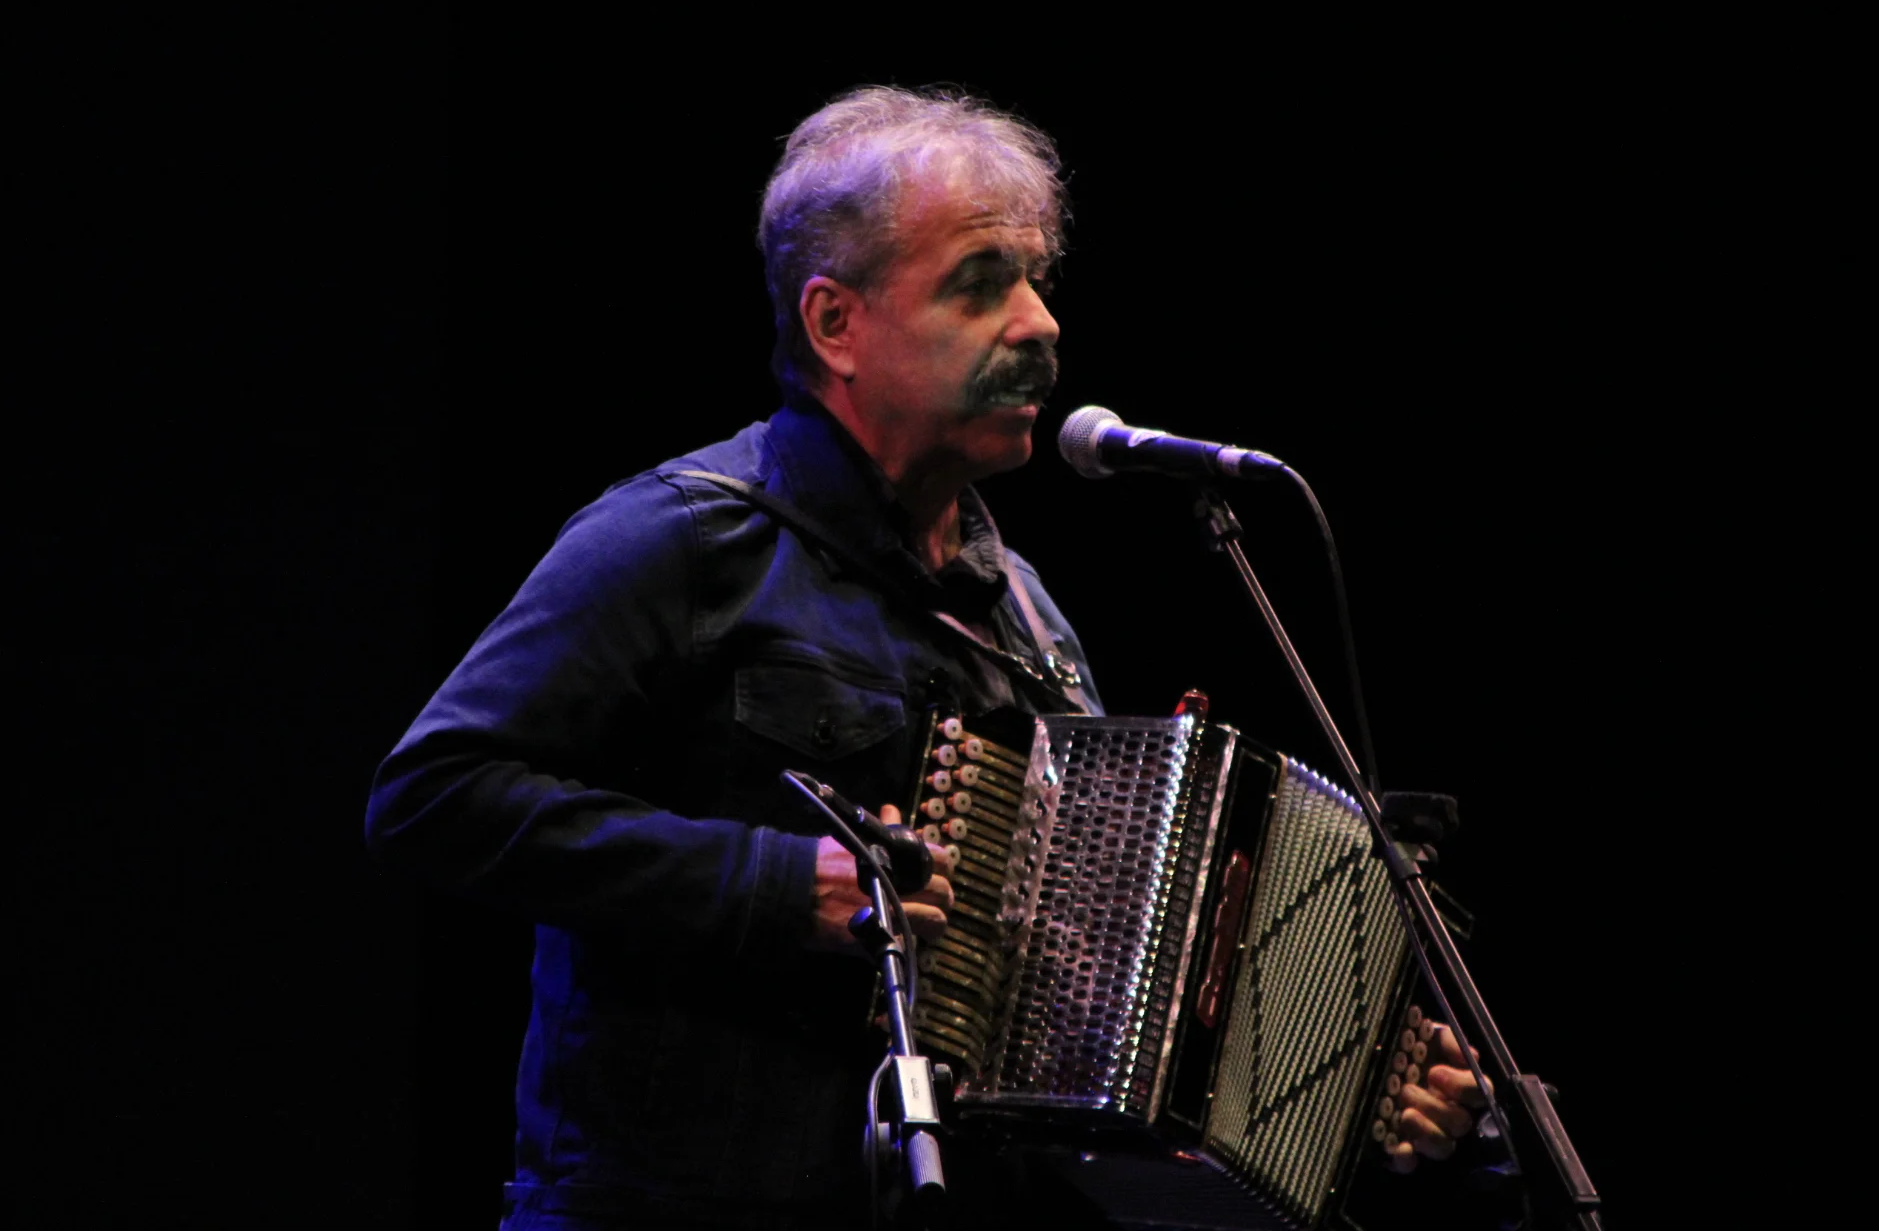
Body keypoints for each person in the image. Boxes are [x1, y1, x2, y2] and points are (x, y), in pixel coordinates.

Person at [367, 86, 1483, 1230]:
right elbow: (431, 794)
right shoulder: (684, 539)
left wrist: (1356, 1083)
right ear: (834, 323)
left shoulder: (1031, 625)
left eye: (1037, 279)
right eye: (979, 283)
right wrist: (775, 882)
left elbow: (1091, 1006)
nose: (1040, 324)